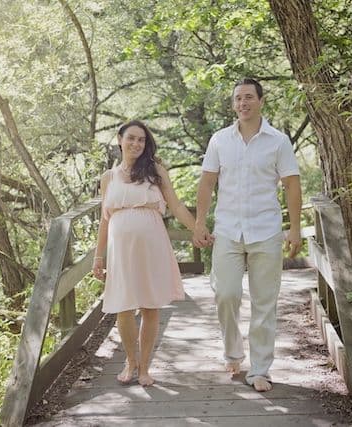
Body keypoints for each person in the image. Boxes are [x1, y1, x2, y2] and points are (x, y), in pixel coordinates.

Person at [193, 78, 302, 392]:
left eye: (249, 97)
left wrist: (295, 228)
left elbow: (292, 185)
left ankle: (260, 370)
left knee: (264, 302)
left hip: (266, 230)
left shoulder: (278, 141)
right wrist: (199, 223)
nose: (243, 103)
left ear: (261, 101)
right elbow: (207, 183)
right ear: (233, 104)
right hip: (227, 230)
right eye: (238, 98)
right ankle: (233, 353)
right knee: (225, 293)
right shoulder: (219, 140)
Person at [92, 120, 196, 387]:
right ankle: (131, 361)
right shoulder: (108, 178)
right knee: (123, 305)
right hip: (120, 250)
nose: (136, 144)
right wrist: (98, 256)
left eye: (141, 140)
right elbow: (104, 220)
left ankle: (145, 367)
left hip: (152, 244)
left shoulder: (155, 171)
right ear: (120, 140)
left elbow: (176, 205)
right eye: (131, 138)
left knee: (150, 305)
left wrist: (197, 229)